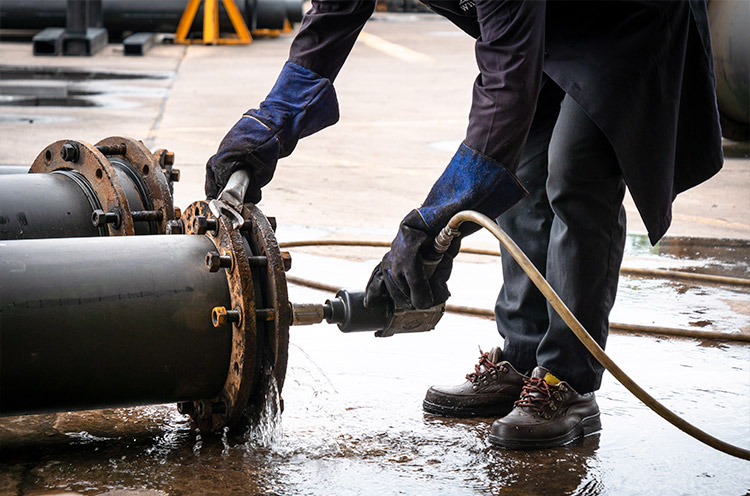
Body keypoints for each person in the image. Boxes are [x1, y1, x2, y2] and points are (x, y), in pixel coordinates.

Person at [205, 0, 723, 449]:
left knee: (575, 170)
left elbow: (505, 91)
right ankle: (523, 361)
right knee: (521, 168)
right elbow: (322, 39)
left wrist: (430, 226)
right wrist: (265, 130)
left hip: (631, 20)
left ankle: (569, 382)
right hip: (553, 22)